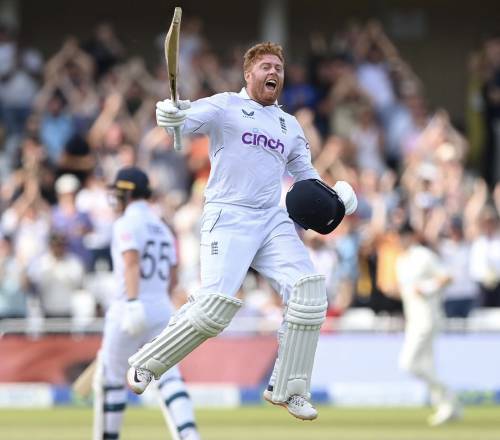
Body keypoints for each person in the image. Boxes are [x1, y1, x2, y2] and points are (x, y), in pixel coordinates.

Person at [127, 42, 357, 421]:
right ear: (248, 74)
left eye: (279, 67)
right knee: (214, 309)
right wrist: (168, 113)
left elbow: (306, 179)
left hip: (271, 217)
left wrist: (334, 202)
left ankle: (289, 388)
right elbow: (182, 118)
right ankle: (147, 362)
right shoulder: (225, 106)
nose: (274, 72)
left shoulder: (290, 125)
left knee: (310, 291)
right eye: (266, 66)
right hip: (228, 216)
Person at [94, 166, 201, 440]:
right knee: (169, 377)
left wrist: (132, 302)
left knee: (112, 379)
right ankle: (188, 434)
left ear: (126, 194)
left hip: (127, 307)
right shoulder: (163, 226)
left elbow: (131, 261)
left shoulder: (126, 223)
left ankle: (109, 436)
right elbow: (173, 273)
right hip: (161, 308)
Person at [395, 222, 462, 426]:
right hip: (413, 320)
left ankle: (448, 395)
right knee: (427, 365)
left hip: (427, 320)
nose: (400, 240)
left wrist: (427, 287)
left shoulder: (423, 255)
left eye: (404, 236)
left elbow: (447, 277)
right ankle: (447, 407)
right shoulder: (401, 260)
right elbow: (406, 292)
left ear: (412, 237)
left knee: (408, 364)